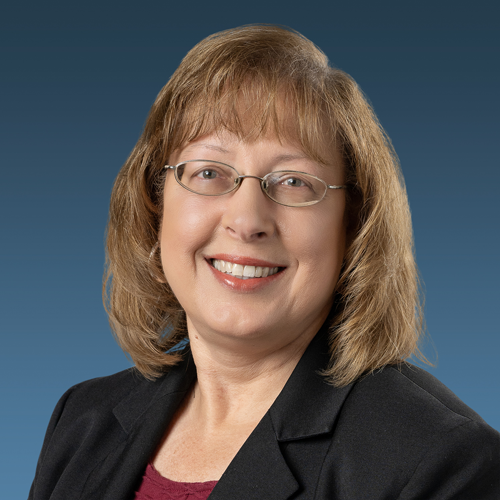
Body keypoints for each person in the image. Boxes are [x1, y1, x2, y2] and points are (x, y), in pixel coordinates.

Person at [29, 24, 500, 500]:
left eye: (294, 181)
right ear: (155, 204)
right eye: (209, 172)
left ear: (352, 224)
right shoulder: (83, 421)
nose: (247, 220)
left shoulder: (439, 462)